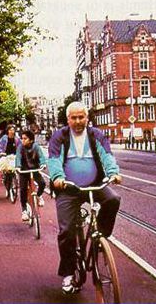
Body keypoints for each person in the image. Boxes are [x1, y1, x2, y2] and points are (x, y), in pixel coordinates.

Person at [48, 101, 122, 294]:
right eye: (74, 118)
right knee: (66, 232)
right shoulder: (59, 137)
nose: (78, 121)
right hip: (68, 189)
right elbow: (54, 160)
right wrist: (57, 178)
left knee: (113, 199)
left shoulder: (96, 135)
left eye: (82, 117)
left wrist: (113, 172)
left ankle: (100, 238)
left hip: (94, 184)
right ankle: (68, 274)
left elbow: (107, 155)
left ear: (87, 118)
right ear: (68, 119)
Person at [15, 130, 46, 221]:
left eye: (25, 139)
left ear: (31, 140)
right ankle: (24, 210)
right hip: (24, 171)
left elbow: (41, 157)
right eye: (22, 138)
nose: (22, 140)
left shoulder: (36, 147)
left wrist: (43, 164)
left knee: (42, 183)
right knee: (23, 189)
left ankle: (39, 195)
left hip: (34, 169)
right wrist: (17, 166)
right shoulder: (20, 148)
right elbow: (18, 157)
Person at [0, 124, 21, 198]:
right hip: (6, 156)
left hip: (14, 157)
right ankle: (7, 188)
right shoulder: (4, 138)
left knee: (16, 169)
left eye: (13, 130)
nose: (12, 131)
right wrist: (1, 152)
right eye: (10, 130)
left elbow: (20, 147)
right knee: (6, 173)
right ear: (7, 131)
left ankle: (15, 183)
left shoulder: (17, 139)